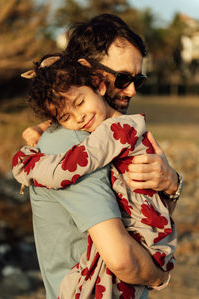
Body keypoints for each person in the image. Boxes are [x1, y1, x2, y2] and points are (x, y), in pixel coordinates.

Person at [16, 14, 182, 298]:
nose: (131, 90)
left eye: (138, 80)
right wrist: (159, 277)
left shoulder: (107, 138)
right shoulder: (74, 144)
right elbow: (122, 259)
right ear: (89, 73)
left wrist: (170, 184)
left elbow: (145, 219)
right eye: (123, 77)